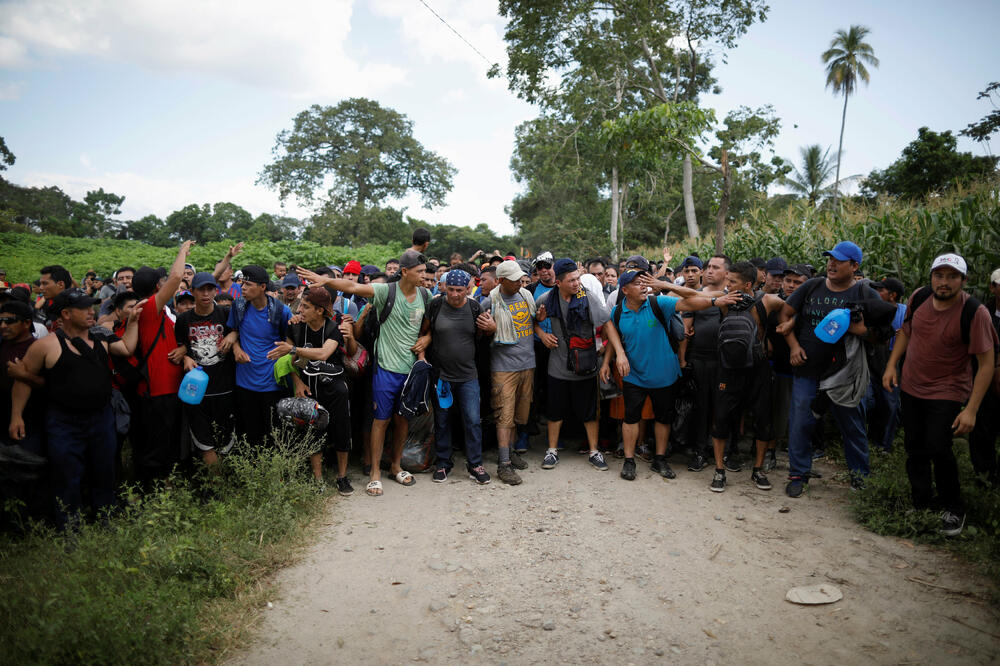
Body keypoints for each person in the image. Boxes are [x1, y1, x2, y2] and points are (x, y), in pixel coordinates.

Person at [297, 249, 431, 497]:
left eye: (425, 272)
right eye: (420, 271)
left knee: (402, 420)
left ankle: (395, 466)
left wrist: (427, 339)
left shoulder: (426, 295)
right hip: (385, 369)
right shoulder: (385, 291)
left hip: (410, 371)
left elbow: (429, 326)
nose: (424, 275)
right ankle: (375, 474)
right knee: (381, 421)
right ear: (404, 272)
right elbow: (354, 287)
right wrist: (326, 280)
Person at [884, 254, 997, 536]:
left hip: (947, 389)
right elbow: (906, 333)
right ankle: (922, 503)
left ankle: (953, 508)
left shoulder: (975, 312)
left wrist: (971, 409)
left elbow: (986, 365)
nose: (944, 282)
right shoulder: (919, 297)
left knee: (938, 447)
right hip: (911, 385)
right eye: (939, 275)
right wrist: (891, 366)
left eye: (951, 277)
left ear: (964, 280)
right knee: (914, 447)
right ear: (931, 277)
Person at [9, 288, 143, 527]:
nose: (91, 312)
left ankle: (106, 515)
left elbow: (126, 349)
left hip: (101, 417)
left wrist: (132, 322)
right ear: (66, 313)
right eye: (85, 308)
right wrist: (16, 415)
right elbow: (23, 380)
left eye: (92, 307)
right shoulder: (46, 346)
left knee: (104, 469)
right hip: (63, 421)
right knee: (66, 473)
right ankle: (70, 523)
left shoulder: (101, 339)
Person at [601, 263, 736, 481]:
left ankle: (660, 459)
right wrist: (609, 361)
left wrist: (713, 301)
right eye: (638, 284)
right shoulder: (618, 312)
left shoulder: (658, 303)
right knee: (631, 418)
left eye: (645, 283)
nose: (644, 287)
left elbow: (689, 301)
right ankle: (629, 461)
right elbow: (612, 336)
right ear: (624, 290)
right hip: (634, 374)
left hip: (665, 375)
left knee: (663, 419)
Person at [778, 241, 879, 497]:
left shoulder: (866, 294)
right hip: (807, 369)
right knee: (801, 422)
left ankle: (860, 477)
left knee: (852, 426)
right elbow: (785, 314)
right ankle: (798, 473)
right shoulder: (812, 286)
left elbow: (882, 333)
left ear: (855, 266)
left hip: (846, 374)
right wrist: (793, 346)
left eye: (839, 260)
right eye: (830, 259)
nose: (832, 264)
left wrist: (859, 331)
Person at [705, 262, 788, 493]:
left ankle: (758, 470)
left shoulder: (767, 301)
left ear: (748, 284)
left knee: (763, 419)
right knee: (721, 418)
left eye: (732, 281)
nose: (727, 284)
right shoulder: (724, 300)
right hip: (728, 367)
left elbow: (793, 310)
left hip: (757, 367)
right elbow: (694, 295)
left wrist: (787, 325)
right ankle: (719, 470)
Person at [534, 258, 611, 471]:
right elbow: (532, 321)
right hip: (557, 365)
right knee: (554, 410)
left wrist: (607, 347)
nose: (577, 284)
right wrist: (542, 333)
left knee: (589, 411)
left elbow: (606, 322)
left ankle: (595, 451)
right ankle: (552, 451)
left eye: (577, 278)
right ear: (558, 282)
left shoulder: (588, 298)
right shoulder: (546, 299)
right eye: (571, 281)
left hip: (585, 365)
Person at [130, 242, 193, 486]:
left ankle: (163, 486)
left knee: (166, 442)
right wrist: (182, 251)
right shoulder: (148, 307)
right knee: (157, 445)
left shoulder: (159, 311)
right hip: (158, 389)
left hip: (168, 388)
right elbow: (177, 276)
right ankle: (151, 490)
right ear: (158, 286)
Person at [426, 270, 496, 485]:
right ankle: (443, 463)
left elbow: (485, 335)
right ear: (444, 287)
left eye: (460, 290)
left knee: (473, 420)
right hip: (443, 377)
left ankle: (475, 464)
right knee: (442, 420)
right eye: (451, 289)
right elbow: (425, 332)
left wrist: (492, 329)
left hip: (468, 376)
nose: (455, 294)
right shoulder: (436, 306)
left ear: (468, 289)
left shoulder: (475, 307)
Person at [285, 287, 355, 495]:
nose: (300, 310)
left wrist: (294, 349)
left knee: (342, 431)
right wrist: (297, 382)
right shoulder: (295, 328)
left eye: (306, 307)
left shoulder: (334, 328)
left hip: (334, 387)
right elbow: (288, 362)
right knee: (311, 431)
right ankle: (318, 480)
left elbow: (324, 353)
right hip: (307, 388)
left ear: (320, 310)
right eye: (300, 306)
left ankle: (342, 477)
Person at [481, 260, 537, 484]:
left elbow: (533, 322)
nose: (520, 283)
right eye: (514, 280)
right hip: (504, 368)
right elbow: (480, 338)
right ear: (501, 281)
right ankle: (503, 464)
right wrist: (491, 331)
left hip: (527, 363)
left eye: (521, 279)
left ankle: (511, 452)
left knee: (519, 415)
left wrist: (540, 318)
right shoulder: (490, 301)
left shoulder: (526, 296)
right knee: (504, 415)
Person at [174, 272, 237, 469]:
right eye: (201, 289)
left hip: (225, 387)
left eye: (210, 289)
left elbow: (240, 330)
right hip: (197, 392)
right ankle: (216, 486)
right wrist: (185, 356)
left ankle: (226, 483)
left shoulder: (225, 315)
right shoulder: (183, 320)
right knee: (204, 441)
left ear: (215, 291)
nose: (206, 293)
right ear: (192, 292)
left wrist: (233, 335)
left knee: (226, 440)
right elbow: (181, 345)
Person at [680, 254, 729, 472]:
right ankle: (700, 451)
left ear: (727, 273)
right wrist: (683, 359)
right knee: (701, 407)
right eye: (708, 267)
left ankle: (726, 452)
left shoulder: (733, 296)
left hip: (725, 363)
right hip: (699, 360)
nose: (709, 271)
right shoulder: (697, 296)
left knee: (723, 408)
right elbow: (686, 331)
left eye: (715, 267)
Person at [868, 277, 907, 451]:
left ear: (892, 295)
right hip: (873, 357)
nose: (876, 293)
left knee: (890, 404)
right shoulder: (873, 309)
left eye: (880, 290)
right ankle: (871, 438)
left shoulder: (905, 312)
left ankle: (884, 445)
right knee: (869, 400)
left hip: (892, 360)